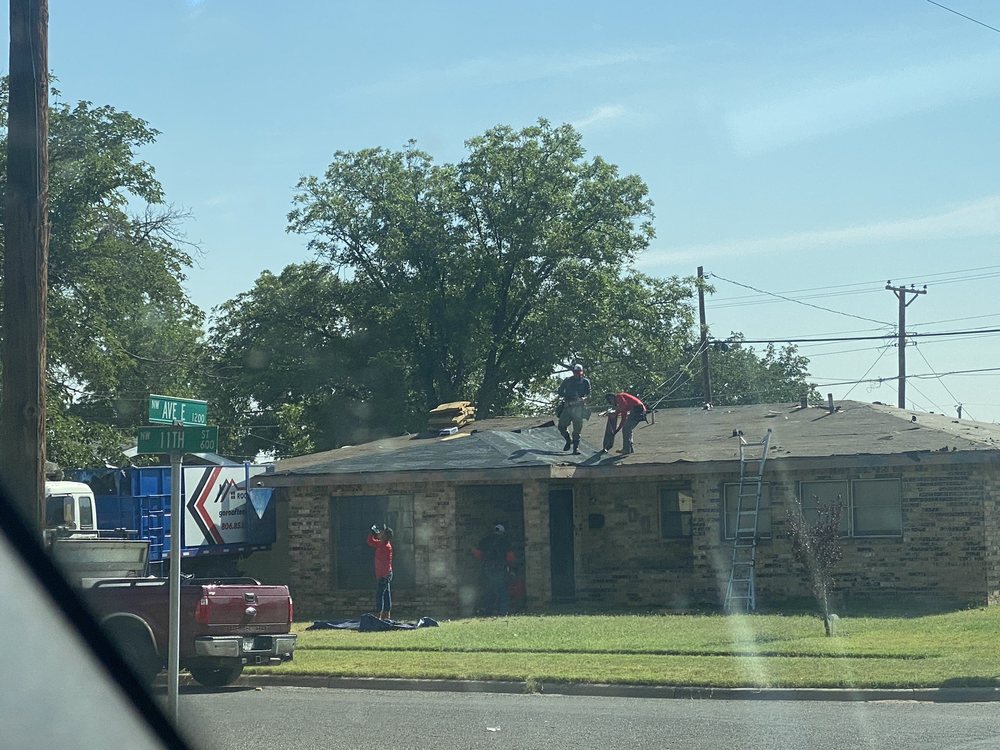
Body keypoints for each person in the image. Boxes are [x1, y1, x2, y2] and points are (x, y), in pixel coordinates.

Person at [473, 523, 516, 616]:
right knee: (502, 591)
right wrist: (512, 568)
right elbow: (510, 557)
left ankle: (488, 611)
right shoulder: (505, 542)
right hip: (500, 569)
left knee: (489, 590)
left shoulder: (484, 541)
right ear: (502, 532)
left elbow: (477, 554)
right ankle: (503, 612)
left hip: (487, 569)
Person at [557, 363, 591, 455]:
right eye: (575, 372)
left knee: (577, 429)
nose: (577, 374)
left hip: (579, 408)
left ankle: (576, 448)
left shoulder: (585, 382)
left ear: (581, 372)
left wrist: (583, 399)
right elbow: (560, 391)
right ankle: (568, 440)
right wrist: (567, 396)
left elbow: (588, 394)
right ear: (573, 372)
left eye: (578, 372)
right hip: (568, 406)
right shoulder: (567, 380)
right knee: (561, 426)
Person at [366, 524, 393, 621]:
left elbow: (372, 542)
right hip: (384, 574)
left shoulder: (385, 546)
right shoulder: (383, 544)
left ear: (385, 536)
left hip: (384, 575)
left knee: (380, 595)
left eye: (382, 532)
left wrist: (384, 576)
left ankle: (379, 615)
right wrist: (372, 534)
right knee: (386, 594)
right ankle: (386, 615)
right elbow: (371, 541)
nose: (380, 532)